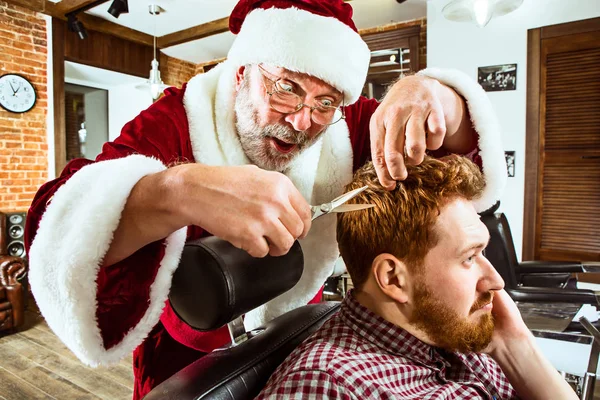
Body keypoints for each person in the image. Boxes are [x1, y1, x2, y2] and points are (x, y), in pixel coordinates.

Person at [25, 0, 507, 398]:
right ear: (240, 73)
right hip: (184, 354)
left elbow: (459, 160)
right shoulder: (177, 119)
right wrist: (177, 189)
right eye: (286, 88)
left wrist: (431, 94)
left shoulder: (349, 123)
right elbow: (56, 224)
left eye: (325, 103)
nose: (302, 121)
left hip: (301, 335)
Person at [257, 156, 577, 400]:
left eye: (482, 253)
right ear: (394, 279)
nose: (495, 280)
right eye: (468, 257)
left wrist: (515, 348)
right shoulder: (327, 387)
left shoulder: (450, 330)